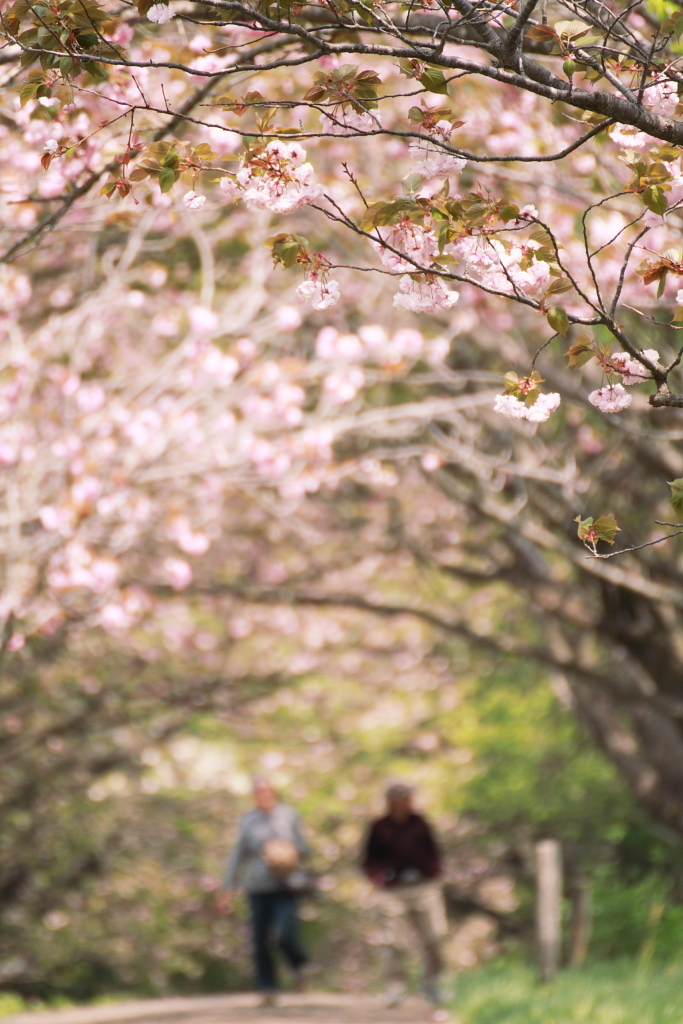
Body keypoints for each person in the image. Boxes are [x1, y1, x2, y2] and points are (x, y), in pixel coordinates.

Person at [217, 776, 310, 1006]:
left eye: (268, 791)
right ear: (254, 796)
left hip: (286, 885)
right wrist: (227, 887)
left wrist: (287, 853)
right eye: (259, 792)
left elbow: (305, 848)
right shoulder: (248, 821)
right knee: (260, 939)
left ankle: (299, 965)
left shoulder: (288, 815)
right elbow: (237, 856)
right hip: (258, 886)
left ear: (274, 793)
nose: (264, 795)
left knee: (284, 935)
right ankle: (267, 987)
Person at [361, 782, 449, 1014]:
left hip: (423, 887)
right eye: (397, 800)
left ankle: (432, 984)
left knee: (435, 936)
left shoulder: (420, 824)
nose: (401, 805)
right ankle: (395, 986)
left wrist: (433, 872)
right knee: (393, 941)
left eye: (405, 800)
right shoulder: (379, 827)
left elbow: (434, 852)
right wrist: (380, 879)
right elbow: (369, 860)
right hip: (393, 890)